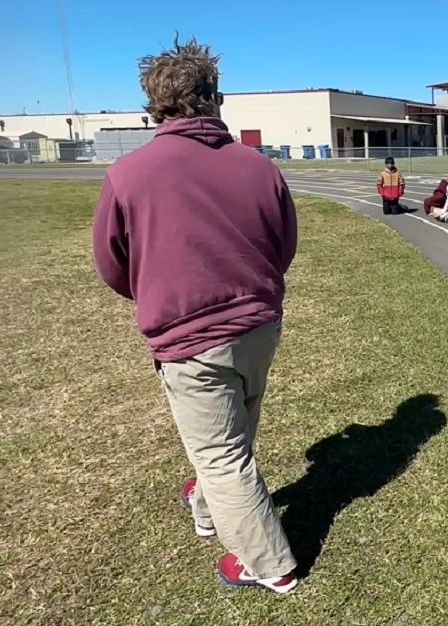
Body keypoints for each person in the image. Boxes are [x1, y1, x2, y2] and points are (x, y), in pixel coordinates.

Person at [91, 37, 298, 593]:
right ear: (217, 99)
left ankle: (268, 564)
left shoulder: (128, 173)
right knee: (233, 438)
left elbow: (112, 265)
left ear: (152, 107)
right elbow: (284, 246)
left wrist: (157, 290)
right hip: (259, 325)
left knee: (224, 455)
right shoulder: (259, 167)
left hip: (190, 338)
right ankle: (206, 506)